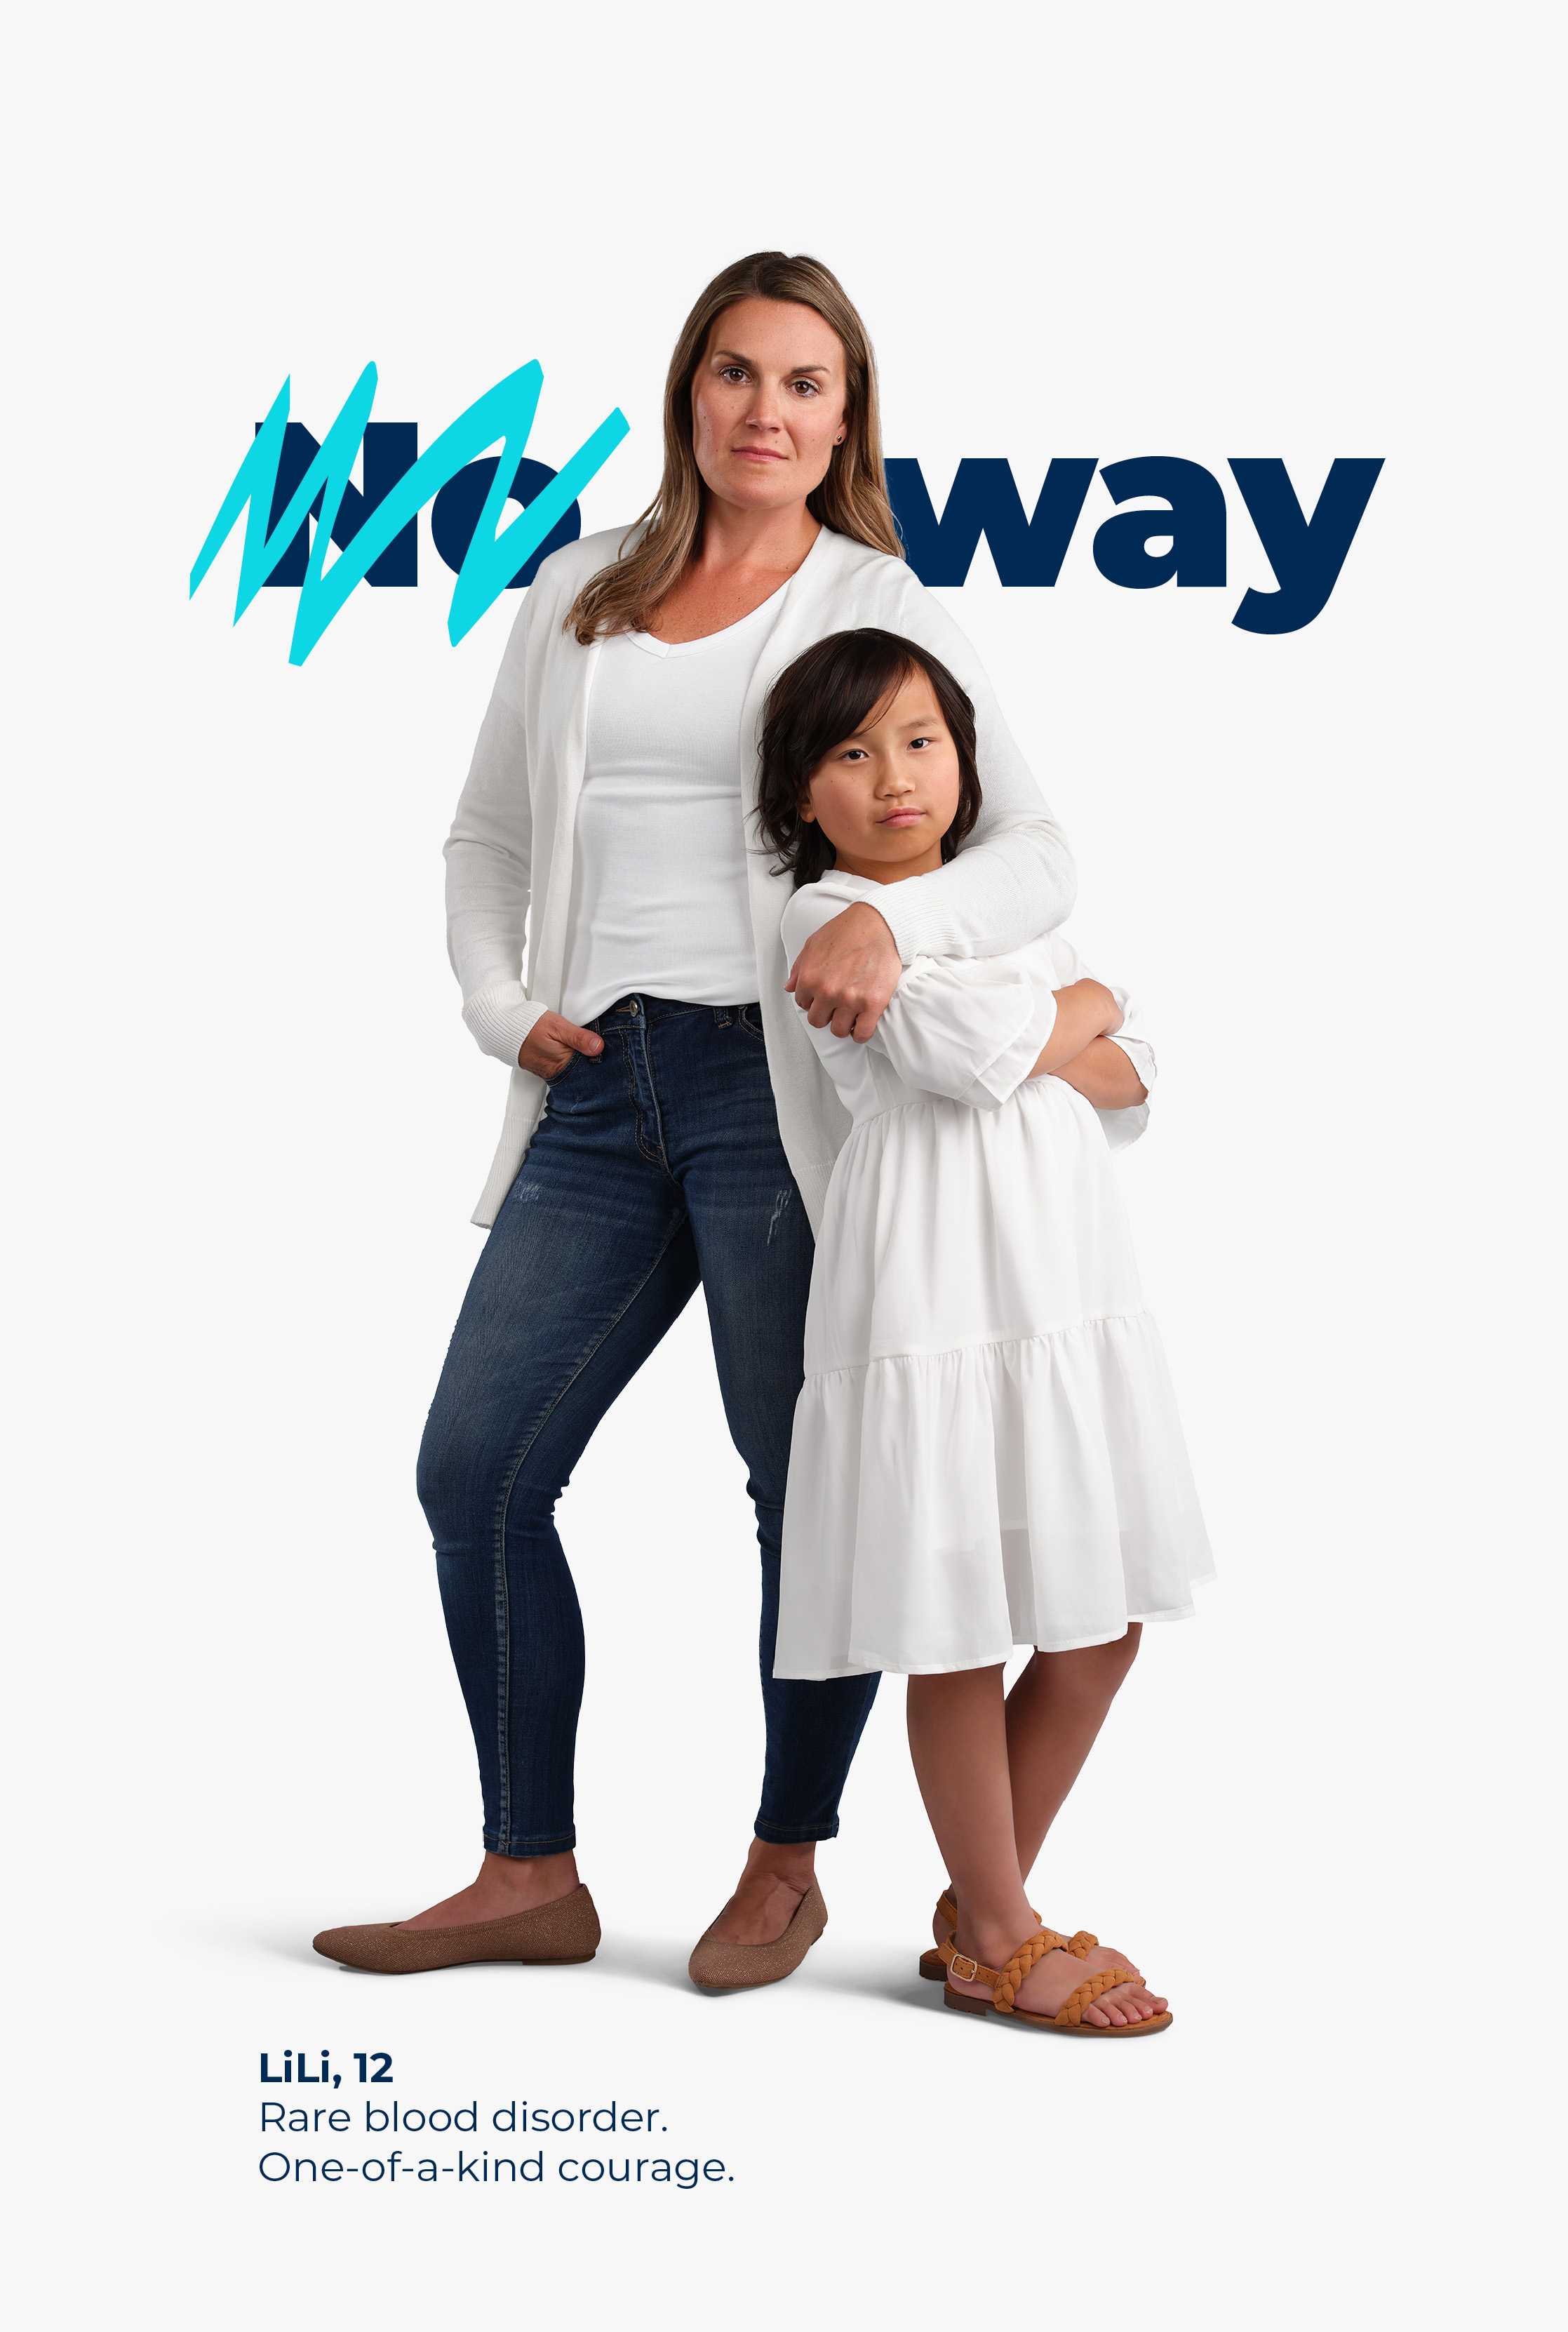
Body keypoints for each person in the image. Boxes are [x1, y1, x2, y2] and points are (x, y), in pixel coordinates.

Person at [313, 251, 1078, 1986]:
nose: (765, 411)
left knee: (800, 1490)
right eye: (737, 374)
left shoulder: (874, 595)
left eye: (805, 386)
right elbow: (483, 841)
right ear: (690, 392)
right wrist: (508, 1013)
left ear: (843, 418)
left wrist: (898, 920)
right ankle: (529, 1873)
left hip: (780, 1095)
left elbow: (1034, 849)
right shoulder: (580, 589)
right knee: (477, 1468)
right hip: (595, 1078)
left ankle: (784, 1860)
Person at [760, 627, 1214, 2033]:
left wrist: (1072, 1021)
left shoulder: (989, 906)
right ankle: (1002, 1929)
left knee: (1098, 1622)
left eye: (919, 741)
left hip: (1057, 1275)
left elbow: (1136, 1078)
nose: (894, 779)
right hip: (932, 1281)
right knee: (955, 1618)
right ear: (802, 797)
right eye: (850, 754)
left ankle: (980, 1897)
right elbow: (975, 1056)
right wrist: (1081, 1010)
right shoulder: (815, 924)